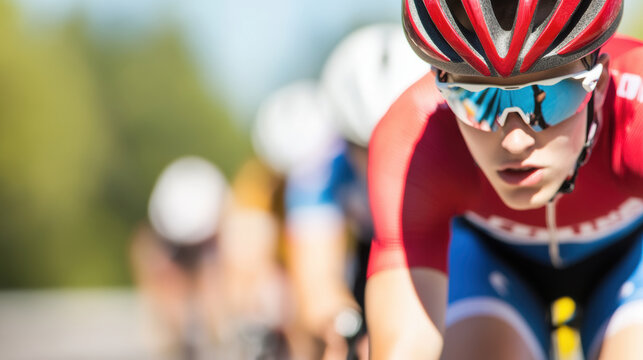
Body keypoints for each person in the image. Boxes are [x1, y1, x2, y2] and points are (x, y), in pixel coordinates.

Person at [365, 1, 643, 359]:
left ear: (600, 85)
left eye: (550, 97)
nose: (515, 140)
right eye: (476, 100)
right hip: (491, 262)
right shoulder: (415, 137)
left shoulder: (636, 113)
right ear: (442, 90)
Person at [272, 24, 429, 359]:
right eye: (366, 148)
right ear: (342, 137)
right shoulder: (319, 169)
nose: (386, 159)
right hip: (368, 253)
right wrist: (345, 326)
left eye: (404, 140)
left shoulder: (458, 145)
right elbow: (316, 280)